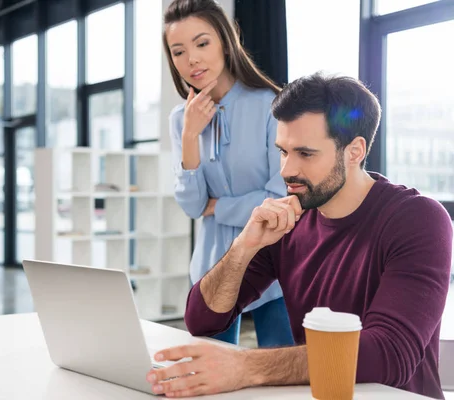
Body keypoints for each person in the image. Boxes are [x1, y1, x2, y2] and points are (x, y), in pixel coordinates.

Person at [145, 73, 452, 400]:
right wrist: (244, 246)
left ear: (354, 151)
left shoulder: (418, 220)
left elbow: (389, 353)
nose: (286, 171)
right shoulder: (289, 218)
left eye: (305, 154)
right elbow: (202, 320)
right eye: (283, 151)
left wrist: (246, 366)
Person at [164, 0, 293, 346]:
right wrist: (191, 135)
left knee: (283, 380)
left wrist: (217, 207)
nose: (191, 59)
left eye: (202, 43)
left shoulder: (272, 106)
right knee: (210, 380)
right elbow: (192, 206)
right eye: (178, 51)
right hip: (212, 269)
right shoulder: (181, 120)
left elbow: (279, 198)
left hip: (273, 266)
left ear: (225, 40)